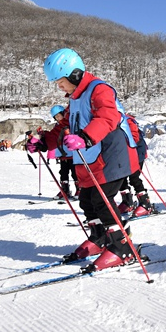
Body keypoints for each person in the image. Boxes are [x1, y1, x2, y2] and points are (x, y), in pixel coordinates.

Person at [28, 48, 140, 273]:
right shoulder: (76, 99)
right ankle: (100, 238)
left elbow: (108, 116)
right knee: (87, 200)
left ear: (74, 75)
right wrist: (44, 143)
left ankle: (122, 246)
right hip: (91, 158)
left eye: (60, 81)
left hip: (112, 154)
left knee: (102, 200)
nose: (59, 86)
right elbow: (64, 126)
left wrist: (85, 136)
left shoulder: (99, 89)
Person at [117, 113, 158, 217]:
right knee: (120, 178)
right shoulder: (111, 119)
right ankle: (127, 202)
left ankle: (145, 204)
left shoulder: (126, 120)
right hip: (122, 153)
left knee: (134, 177)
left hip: (136, 152)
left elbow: (134, 138)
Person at [49, 105, 79, 200]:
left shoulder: (69, 124)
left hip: (72, 154)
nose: (58, 118)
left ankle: (79, 189)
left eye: (59, 116)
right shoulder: (57, 127)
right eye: (56, 117)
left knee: (75, 172)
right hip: (62, 154)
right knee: (63, 172)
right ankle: (65, 190)